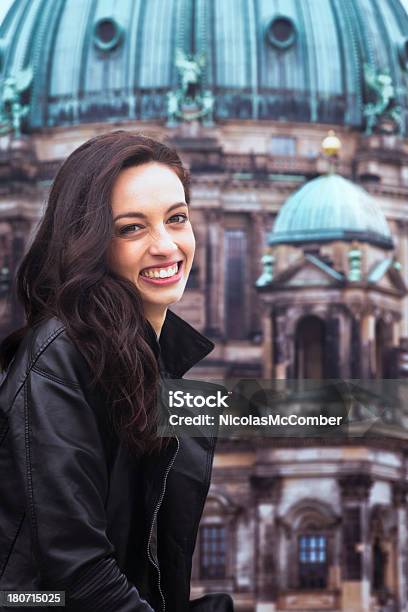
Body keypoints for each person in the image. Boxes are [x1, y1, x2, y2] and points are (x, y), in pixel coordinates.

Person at [0, 131, 234, 612]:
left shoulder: (156, 360)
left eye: (177, 218)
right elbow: (75, 576)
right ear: (89, 242)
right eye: (131, 228)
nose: (166, 246)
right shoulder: (60, 358)